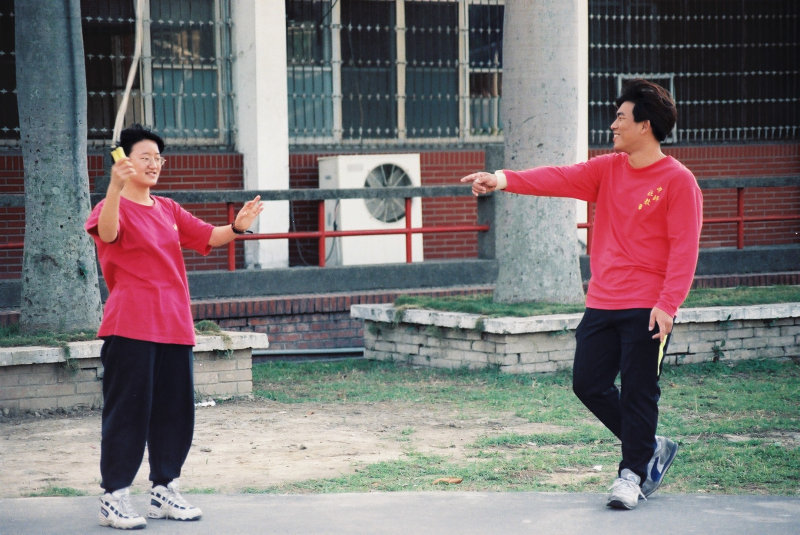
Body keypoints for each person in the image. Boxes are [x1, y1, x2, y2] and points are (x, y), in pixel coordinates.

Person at [461, 79, 703, 510]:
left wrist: (668, 305)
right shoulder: (607, 169)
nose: (613, 125)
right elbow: (558, 177)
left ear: (645, 125)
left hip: (647, 307)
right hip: (602, 302)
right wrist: (500, 179)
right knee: (588, 383)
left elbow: (685, 250)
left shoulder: (678, 181)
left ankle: (632, 474)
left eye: (621, 118)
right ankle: (650, 445)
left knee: (639, 391)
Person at [85, 124, 264, 529]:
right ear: (124, 161)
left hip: (174, 324)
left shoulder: (167, 208)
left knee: (174, 413)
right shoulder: (110, 206)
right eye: (145, 157)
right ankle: (114, 496)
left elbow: (209, 236)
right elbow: (108, 233)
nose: (154, 164)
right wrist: (114, 187)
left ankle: (164, 489)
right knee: (128, 413)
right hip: (130, 326)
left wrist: (238, 226)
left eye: (158, 159)